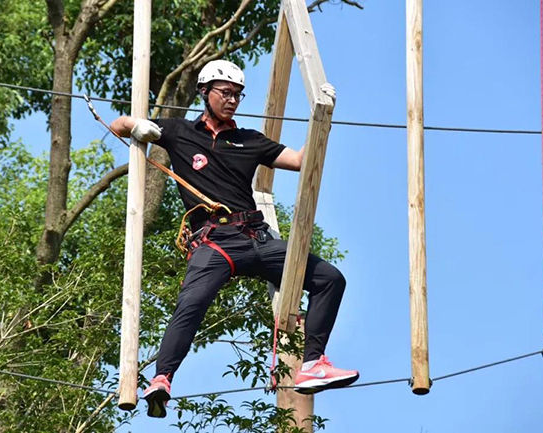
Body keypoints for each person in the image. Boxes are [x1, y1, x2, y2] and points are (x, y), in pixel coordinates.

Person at [111, 60, 358, 418]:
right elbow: (118, 125)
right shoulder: (179, 131)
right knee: (191, 303)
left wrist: (324, 120)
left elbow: (301, 161)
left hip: (256, 239)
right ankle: (162, 378)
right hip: (215, 242)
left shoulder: (250, 140)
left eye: (237, 95)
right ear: (204, 92)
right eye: (225, 92)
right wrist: (138, 126)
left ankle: (313, 363)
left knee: (330, 279)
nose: (232, 100)